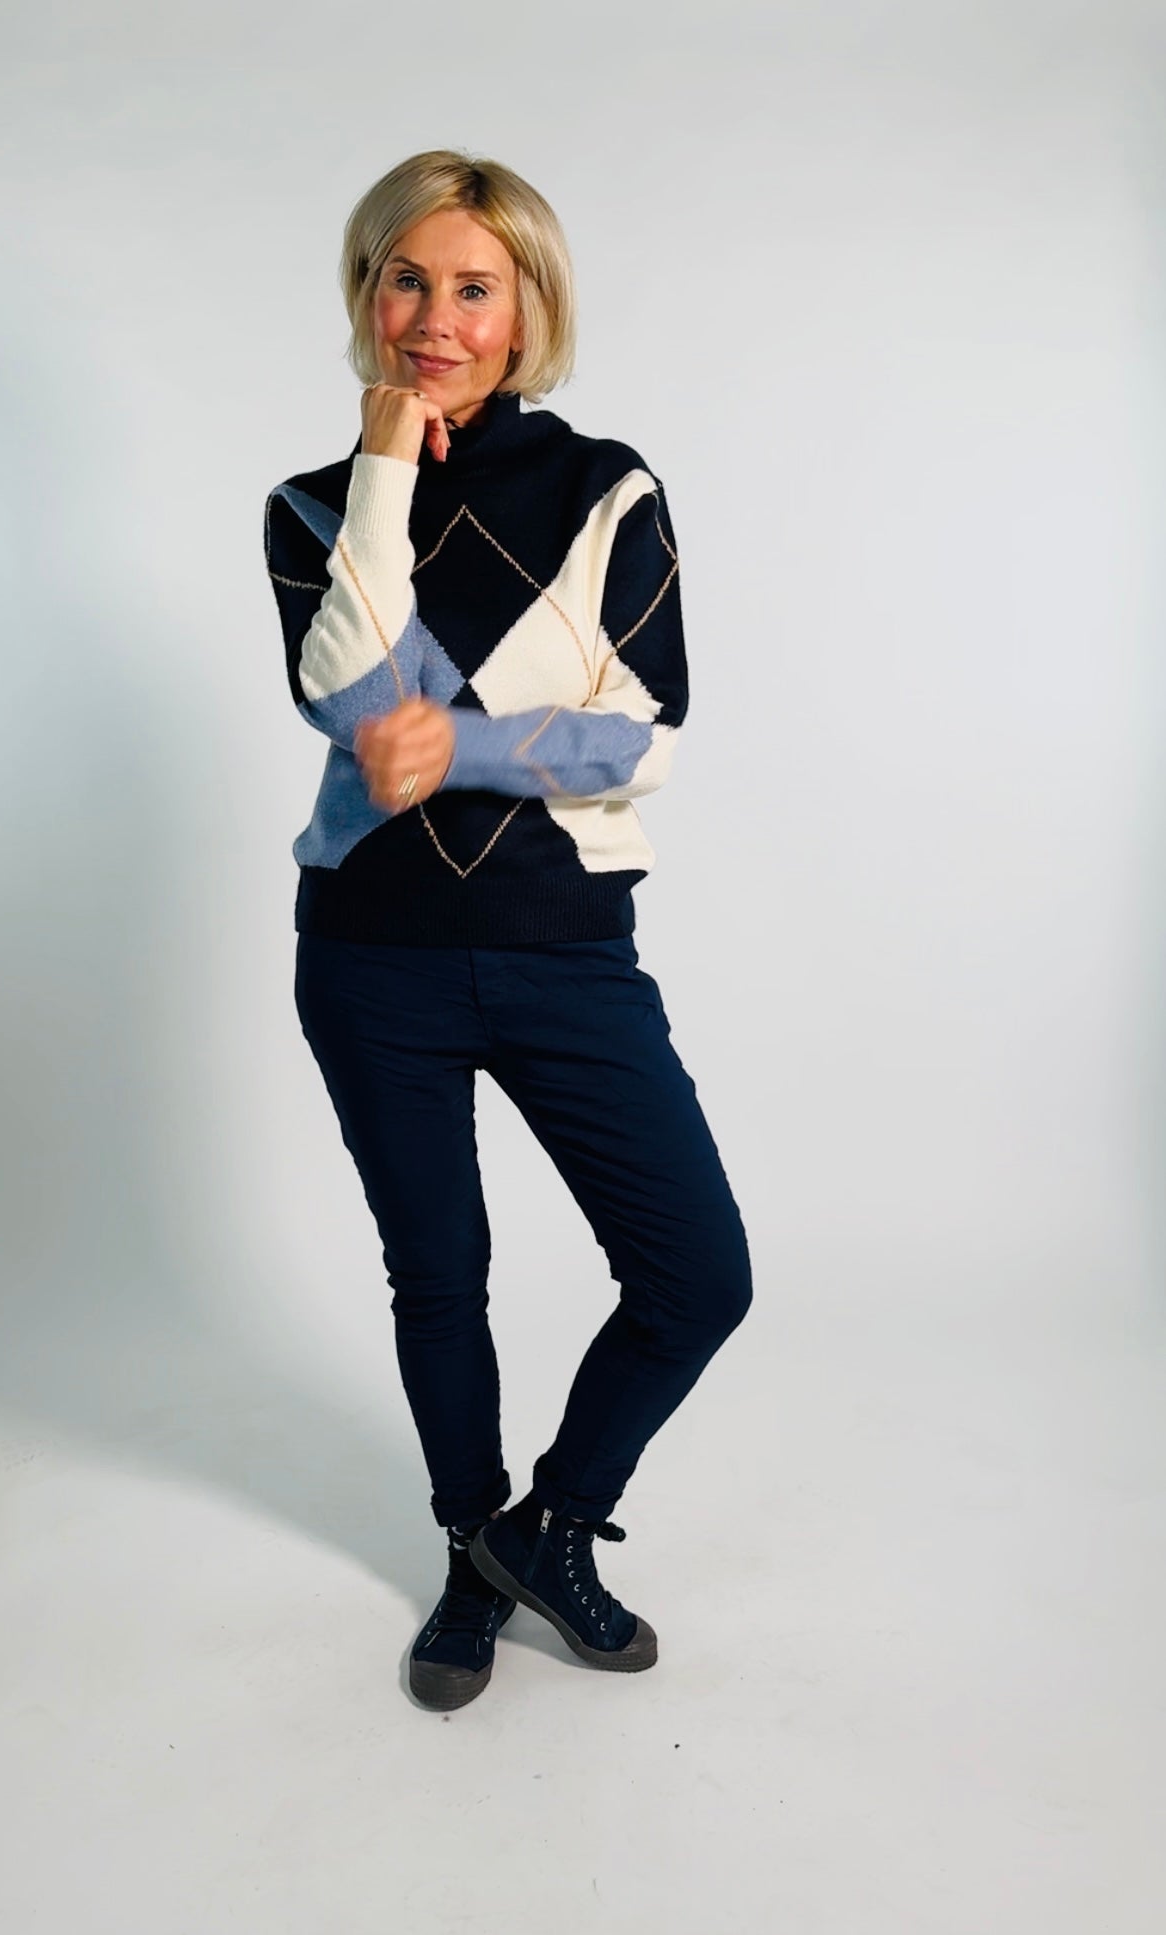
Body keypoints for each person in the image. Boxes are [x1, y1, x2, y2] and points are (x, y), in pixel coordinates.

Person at [263, 148, 753, 1710]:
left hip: (562, 953)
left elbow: (643, 730)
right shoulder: (312, 505)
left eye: (473, 287)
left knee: (696, 1276)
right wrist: (385, 472)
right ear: (365, 295)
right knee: (439, 1275)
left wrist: (459, 745)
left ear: (527, 306)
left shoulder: (606, 488)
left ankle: (546, 1531)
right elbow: (350, 697)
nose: (435, 319)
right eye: (403, 280)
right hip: (370, 957)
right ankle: (470, 1552)